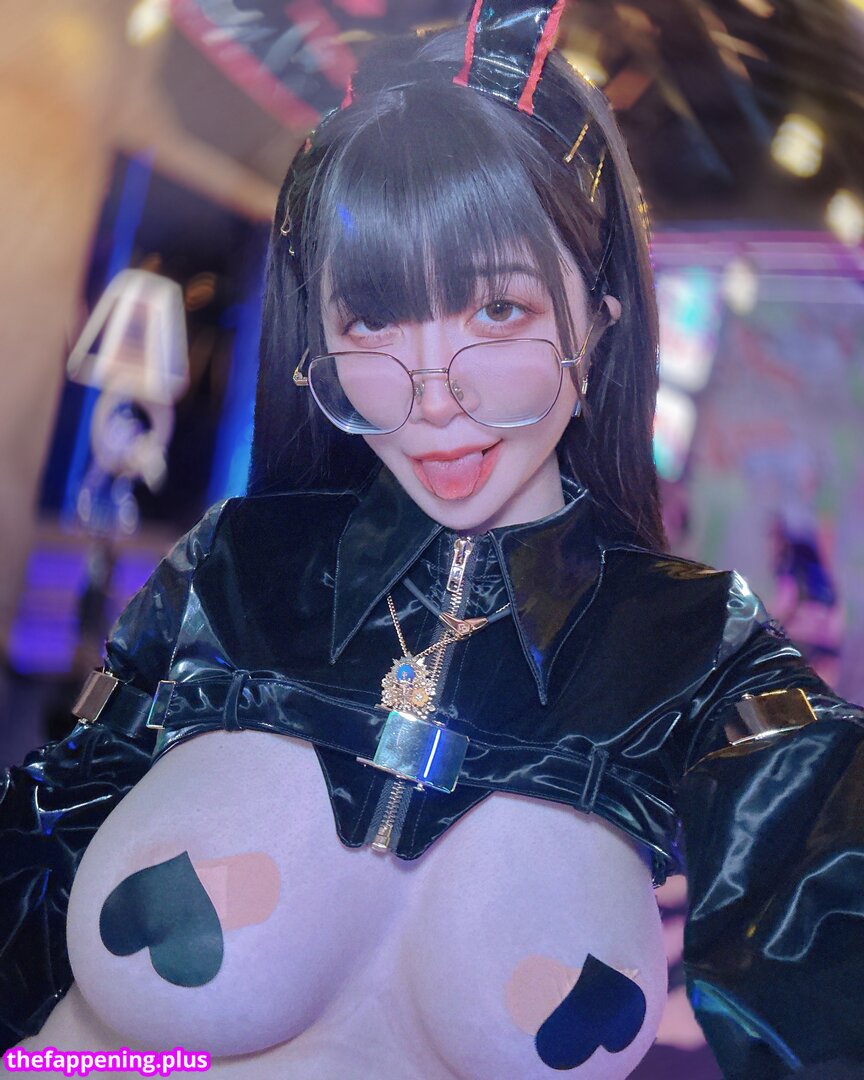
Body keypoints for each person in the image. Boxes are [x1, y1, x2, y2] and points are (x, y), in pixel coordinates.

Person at [3, 3, 864, 1077]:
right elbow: (31, 899)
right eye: (371, 319)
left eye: (497, 310)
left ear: (600, 319)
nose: (432, 398)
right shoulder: (231, 572)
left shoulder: (697, 654)